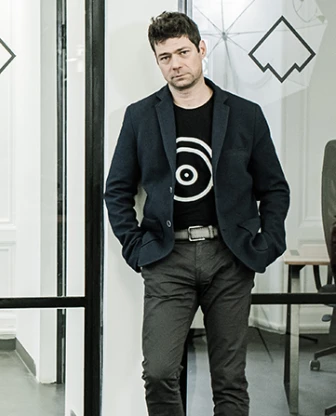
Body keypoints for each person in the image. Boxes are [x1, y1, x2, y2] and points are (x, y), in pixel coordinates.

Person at [104, 11, 290, 416]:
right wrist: (136, 247)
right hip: (167, 258)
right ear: (157, 61)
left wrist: (267, 243)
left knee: (229, 380)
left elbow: (274, 187)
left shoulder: (245, 114)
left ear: (201, 49)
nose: (176, 64)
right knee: (158, 372)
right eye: (165, 57)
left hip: (230, 257)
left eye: (183, 52)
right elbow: (117, 190)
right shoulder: (140, 116)